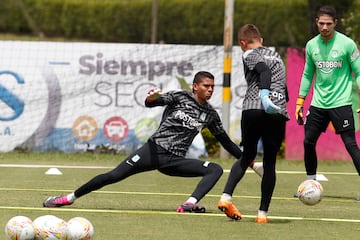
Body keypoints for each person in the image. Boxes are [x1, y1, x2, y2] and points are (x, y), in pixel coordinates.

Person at [43, 71, 261, 212]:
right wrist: (151, 97)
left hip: (174, 161)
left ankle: (189, 204)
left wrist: (250, 162)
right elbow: (151, 103)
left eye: (212, 86)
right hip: (153, 151)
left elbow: (226, 143)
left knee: (214, 169)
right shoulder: (179, 96)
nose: (210, 89)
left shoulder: (211, 115)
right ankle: (69, 198)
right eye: (206, 86)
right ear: (195, 86)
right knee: (113, 176)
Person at [217, 24, 289, 223]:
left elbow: (263, 71)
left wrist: (264, 96)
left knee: (246, 156)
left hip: (254, 108)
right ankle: (262, 214)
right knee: (270, 163)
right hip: (278, 111)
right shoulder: (277, 57)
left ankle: (226, 196)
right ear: (261, 39)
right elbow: (285, 90)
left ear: (242, 42)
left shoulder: (249, 54)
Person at [295, 5, 360, 200]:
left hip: (341, 103)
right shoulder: (311, 45)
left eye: (328, 24)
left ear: (335, 24)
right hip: (318, 105)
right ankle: (310, 184)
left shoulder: (347, 44)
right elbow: (307, 74)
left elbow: (358, 72)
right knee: (308, 142)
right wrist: (300, 101)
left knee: (350, 145)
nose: (324, 27)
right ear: (316, 22)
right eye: (321, 23)